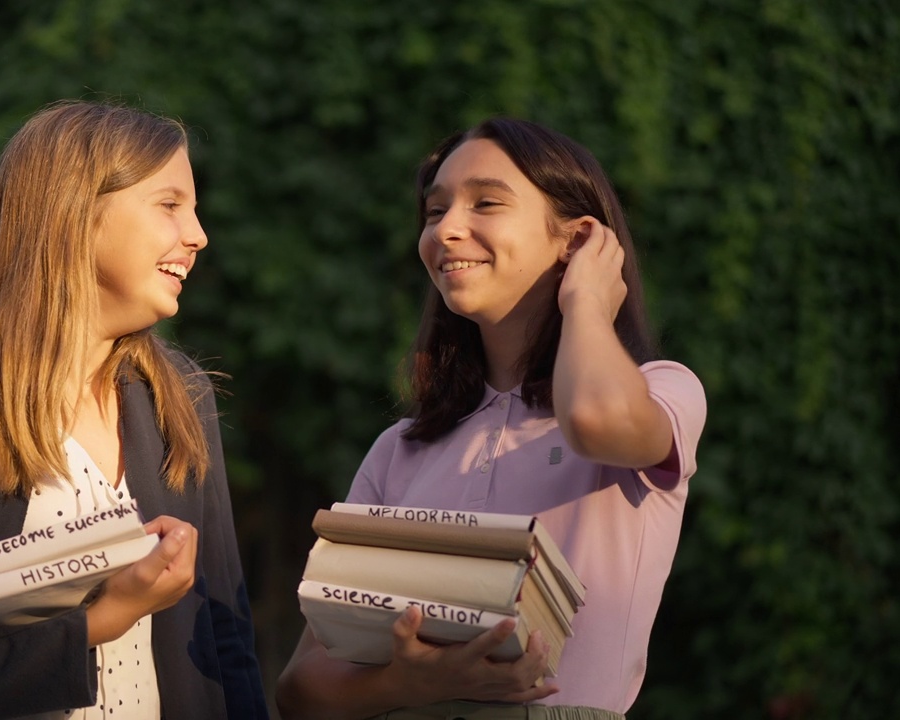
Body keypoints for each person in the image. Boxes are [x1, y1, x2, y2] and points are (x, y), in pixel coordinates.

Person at [275, 118, 707, 720]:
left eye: (486, 203)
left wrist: (584, 298)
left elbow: (593, 418)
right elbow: (302, 690)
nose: (447, 229)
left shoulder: (664, 389)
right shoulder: (400, 448)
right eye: (433, 211)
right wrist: (412, 684)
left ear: (578, 239)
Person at [0, 100, 269, 720]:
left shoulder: (179, 397)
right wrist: (101, 620)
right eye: (170, 204)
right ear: (78, 214)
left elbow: (226, 640)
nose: (199, 235)